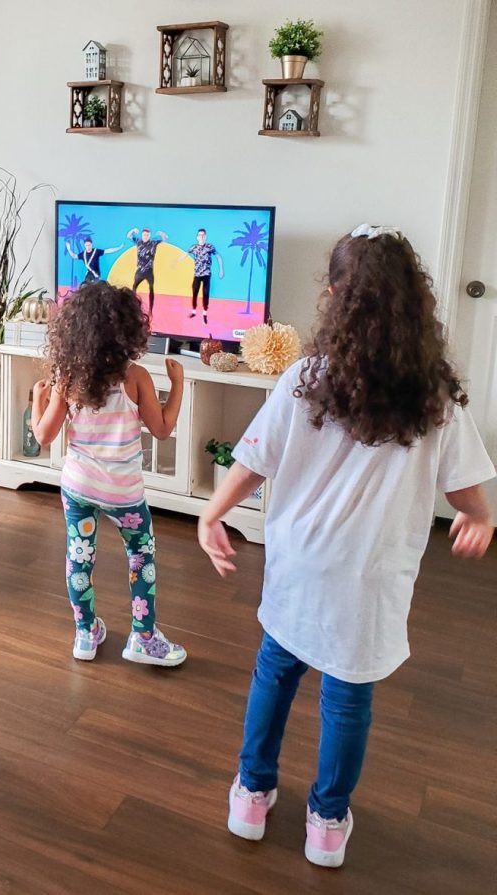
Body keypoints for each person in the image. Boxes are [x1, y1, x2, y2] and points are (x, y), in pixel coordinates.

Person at [196, 224, 495, 868]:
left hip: (300, 563)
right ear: (414, 303)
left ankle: (252, 793)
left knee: (275, 672)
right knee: (348, 694)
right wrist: (479, 520)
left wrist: (212, 513)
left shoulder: (305, 377)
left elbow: (253, 460)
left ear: (336, 296)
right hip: (371, 576)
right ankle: (327, 823)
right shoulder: (435, 397)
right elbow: (470, 494)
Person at [31, 280, 188, 666]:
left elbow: (43, 436)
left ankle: (85, 632)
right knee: (140, 557)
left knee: (79, 558)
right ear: (128, 331)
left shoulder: (68, 379)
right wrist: (179, 385)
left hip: (80, 487)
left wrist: (38, 400)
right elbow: (164, 429)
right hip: (125, 493)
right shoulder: (136, 378)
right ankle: (144, 636)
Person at [183, 228, 223, 323]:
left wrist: (221, 269)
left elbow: (218, 256)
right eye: (199, 235)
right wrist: (177, 261)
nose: (201, 237)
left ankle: (204, 313)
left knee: (205, 294)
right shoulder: (194, 247)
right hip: (197, 274)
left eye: (203, 235)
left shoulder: (209, 247)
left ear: (205, 237)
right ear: (197, 237)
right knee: (195, 292)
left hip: (206, 274)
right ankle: (194, 311)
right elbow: (185, 254)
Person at [127, 227, 168, 315]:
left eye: (147, 235)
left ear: (149, 236)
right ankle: (133, 307)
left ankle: (150, 310)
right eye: (144, 235)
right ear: (142, 235)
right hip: (140, 271)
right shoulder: (138, 241)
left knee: (151, 289)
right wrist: (133, 230)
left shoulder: (153, 243)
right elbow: (129, 236)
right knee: (134, 288)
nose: (145, 236)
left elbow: (165, 239)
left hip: (149, 271)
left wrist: (161, 234)